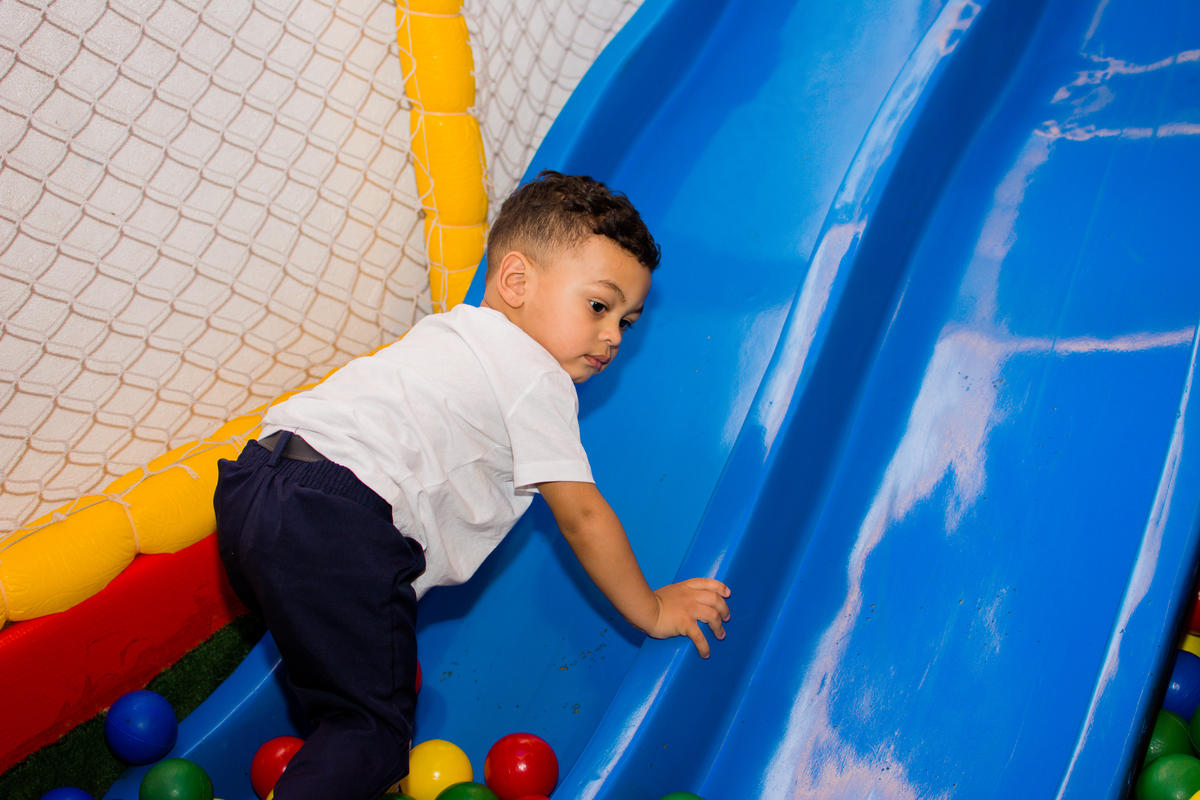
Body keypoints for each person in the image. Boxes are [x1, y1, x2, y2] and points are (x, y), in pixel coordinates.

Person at [214, 170, 732, 800]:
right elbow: (582, 516)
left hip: (255, 487)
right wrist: (652, 609)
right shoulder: (536, 374)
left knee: (356, 699)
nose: (613, 336)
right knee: (372, 734)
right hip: (339, 519)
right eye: (599, 306)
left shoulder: (449, 331)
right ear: (515, 281)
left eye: (628, 321)